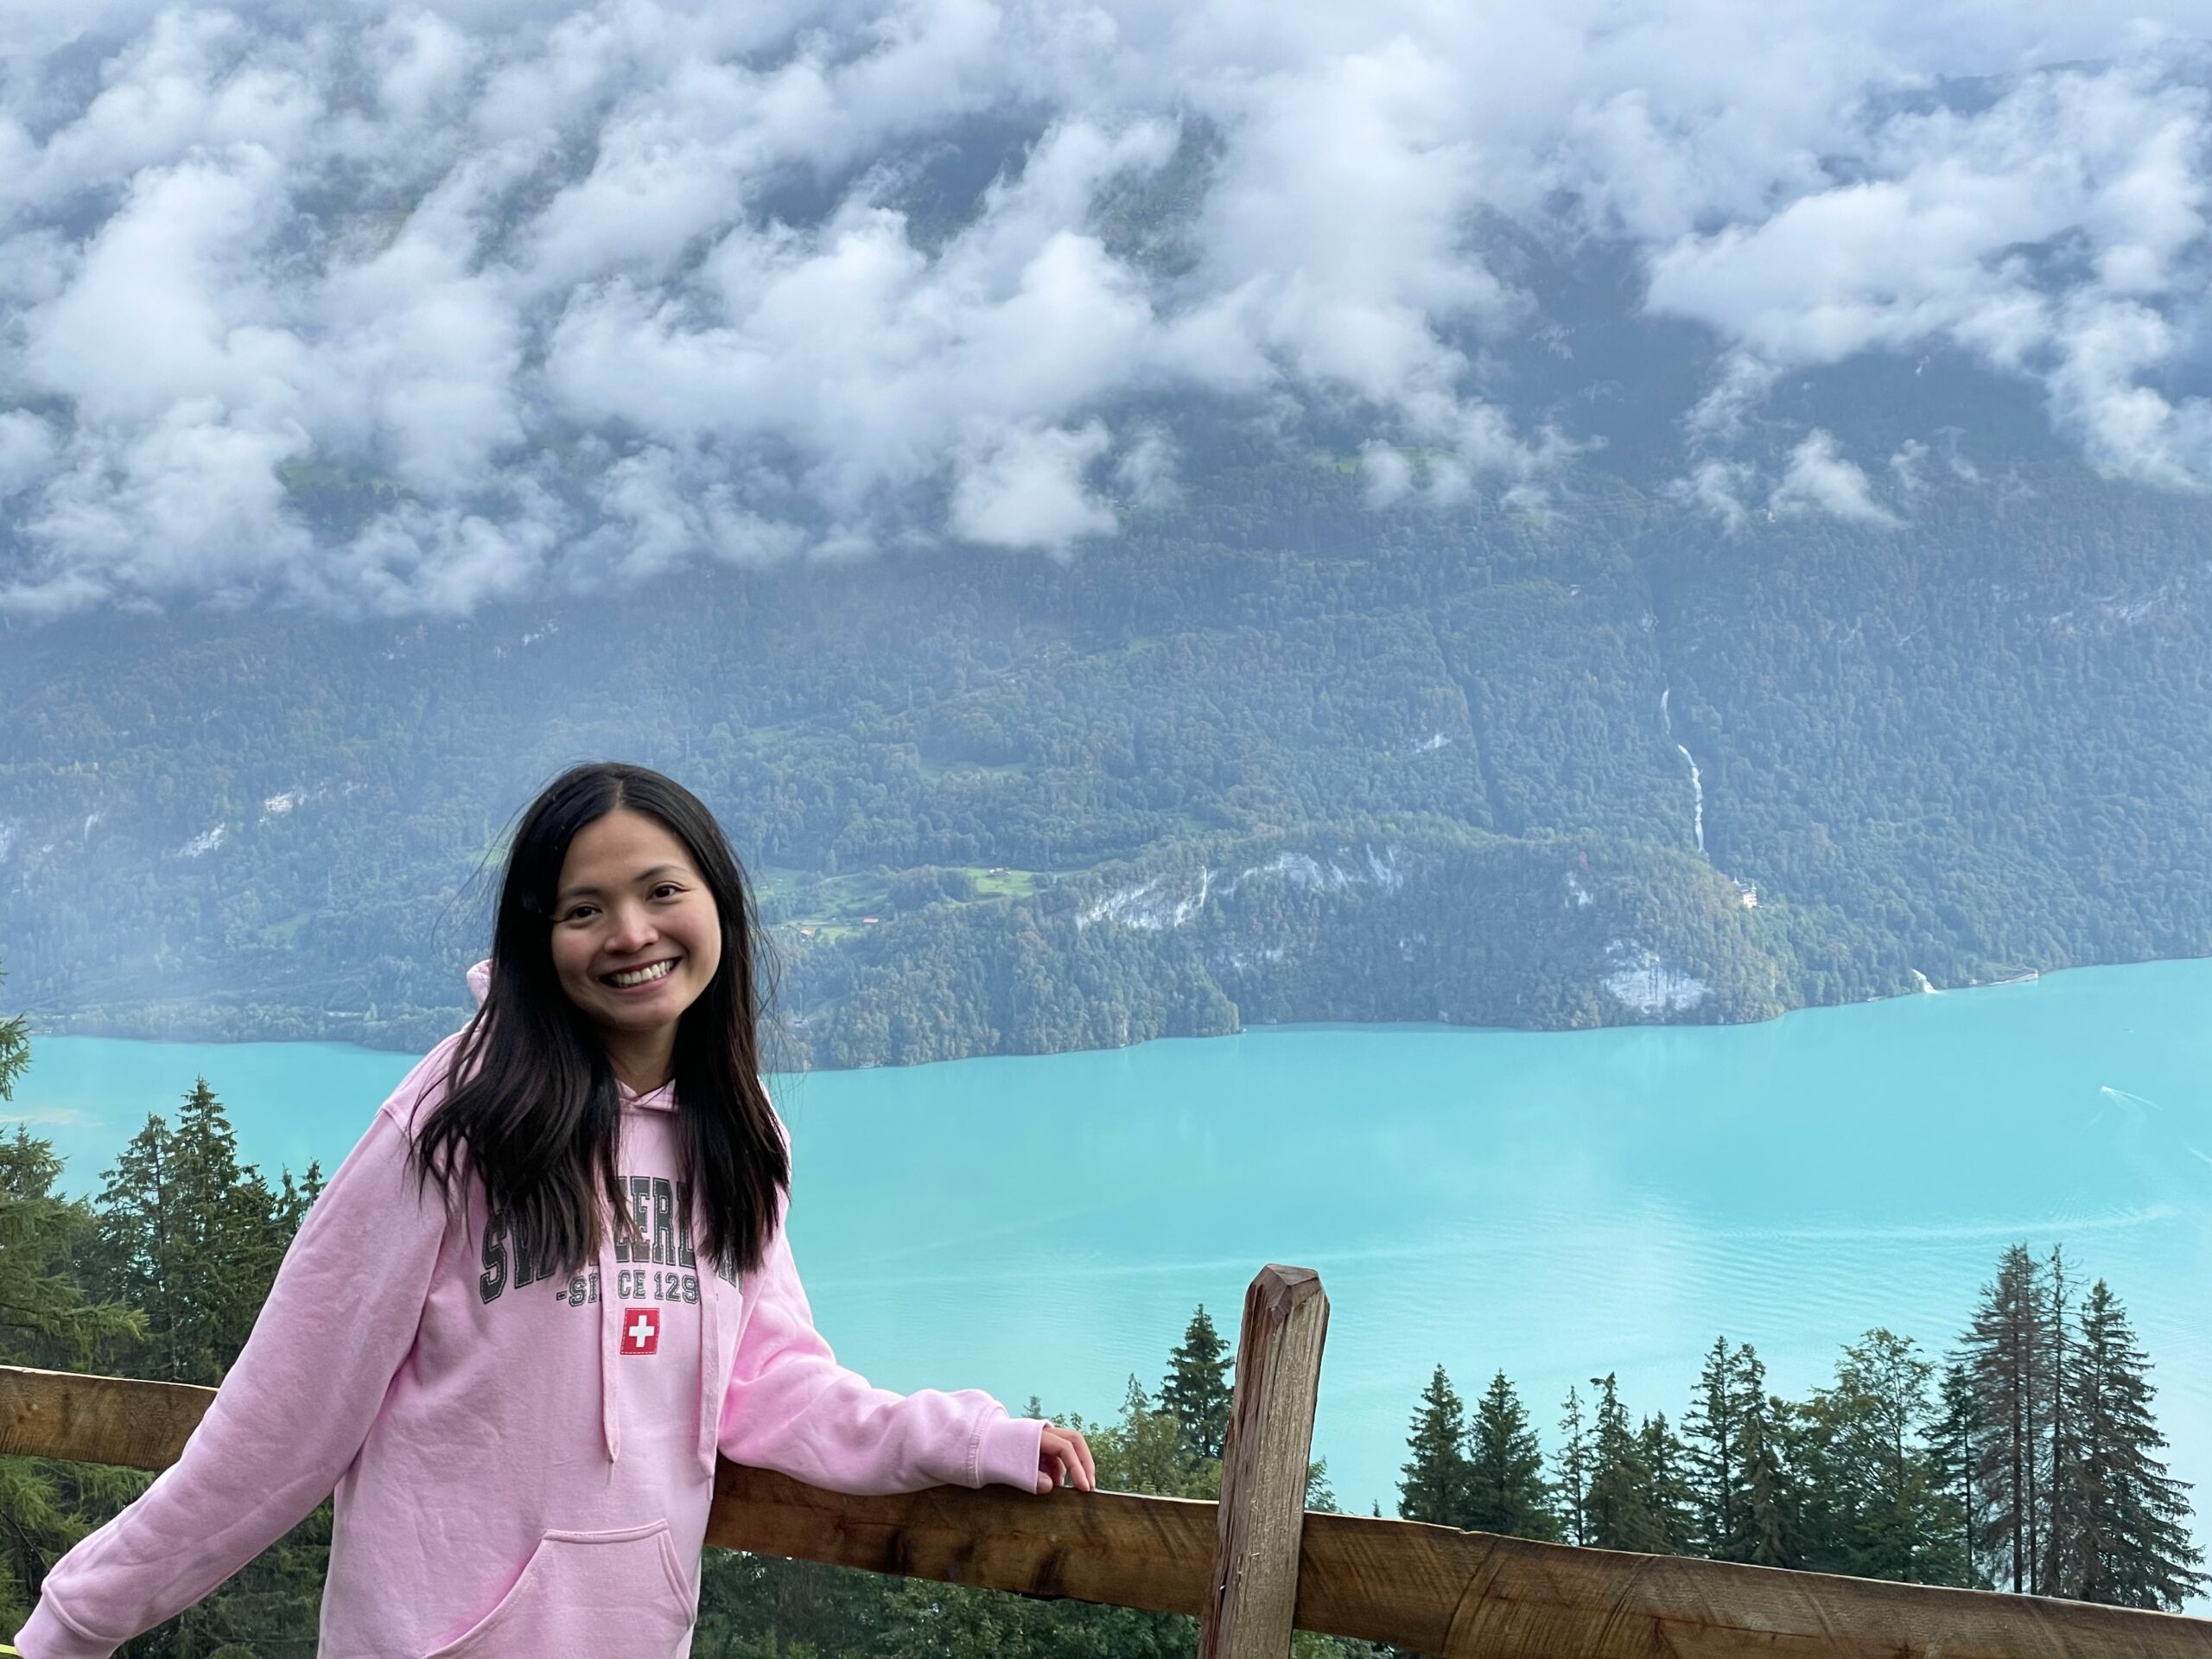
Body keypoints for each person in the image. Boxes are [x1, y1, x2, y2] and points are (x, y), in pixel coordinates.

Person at [14, 761, 1094, 1659]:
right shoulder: (455, 1119)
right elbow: (286, 1417)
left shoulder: (739, 1129)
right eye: (584, 910)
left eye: (661, 891)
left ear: (718, 903)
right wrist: (75, 1624)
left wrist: (968, 1438)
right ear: (540, 938)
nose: (631, 933)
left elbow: (767, 1383)